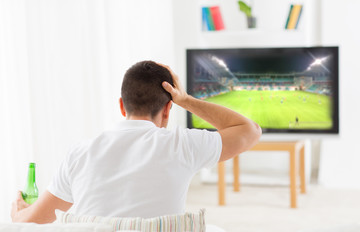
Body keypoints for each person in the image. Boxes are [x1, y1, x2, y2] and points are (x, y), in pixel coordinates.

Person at [11, 61, 261, 223]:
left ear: (121, 105)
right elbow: (250, 131)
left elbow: (32, 222)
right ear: (167, 109)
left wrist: (18, 213)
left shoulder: (80, 153)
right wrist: (185, 100)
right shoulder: (182, 145)